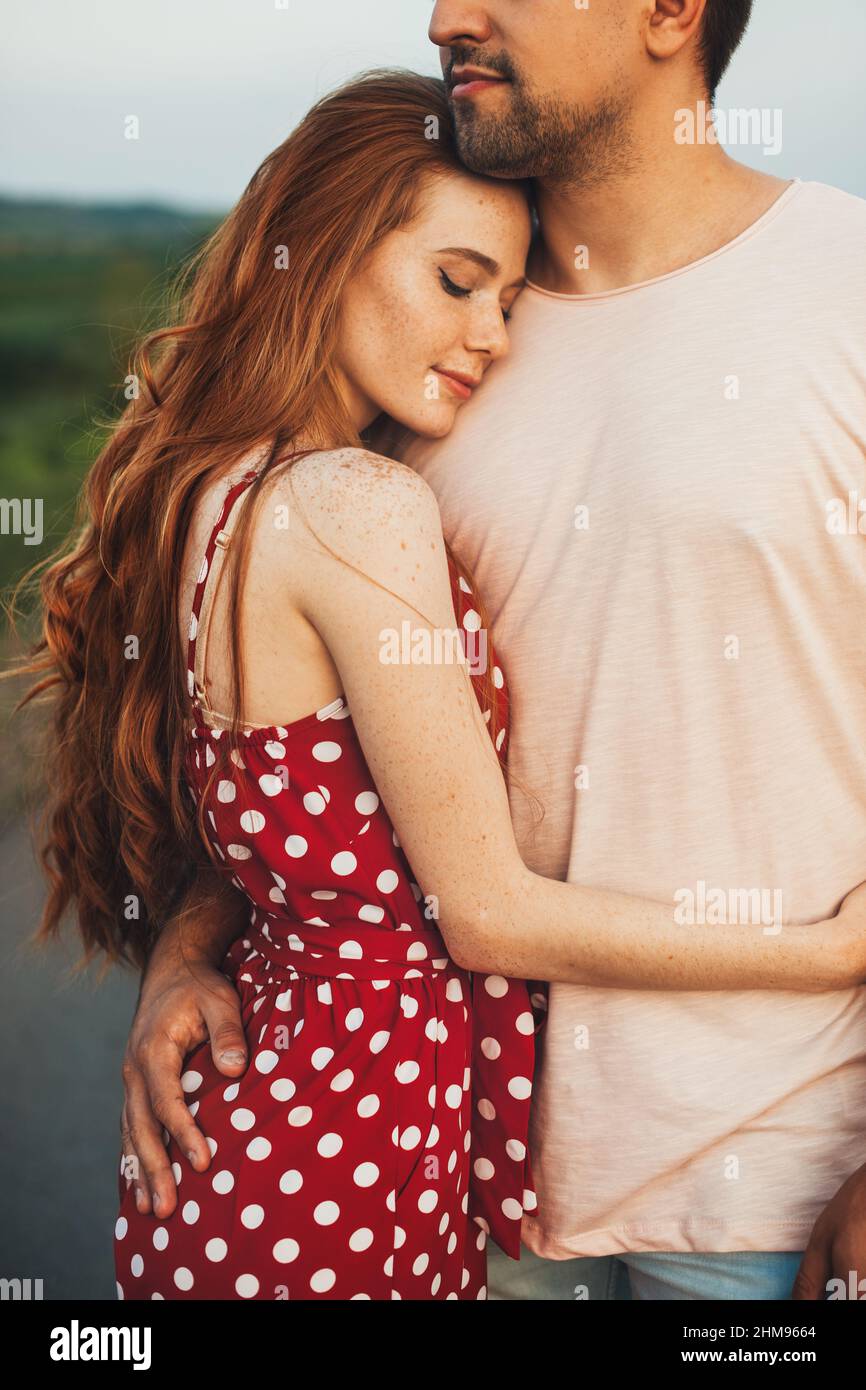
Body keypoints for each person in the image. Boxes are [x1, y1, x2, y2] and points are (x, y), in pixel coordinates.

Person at [117, 1, 866, 1302]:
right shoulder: (415, 362)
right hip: (461, 1180)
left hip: (764, 1181)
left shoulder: (845, 288)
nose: (445, 14)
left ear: (667, 12)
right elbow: (321, 757)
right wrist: (193, 944)